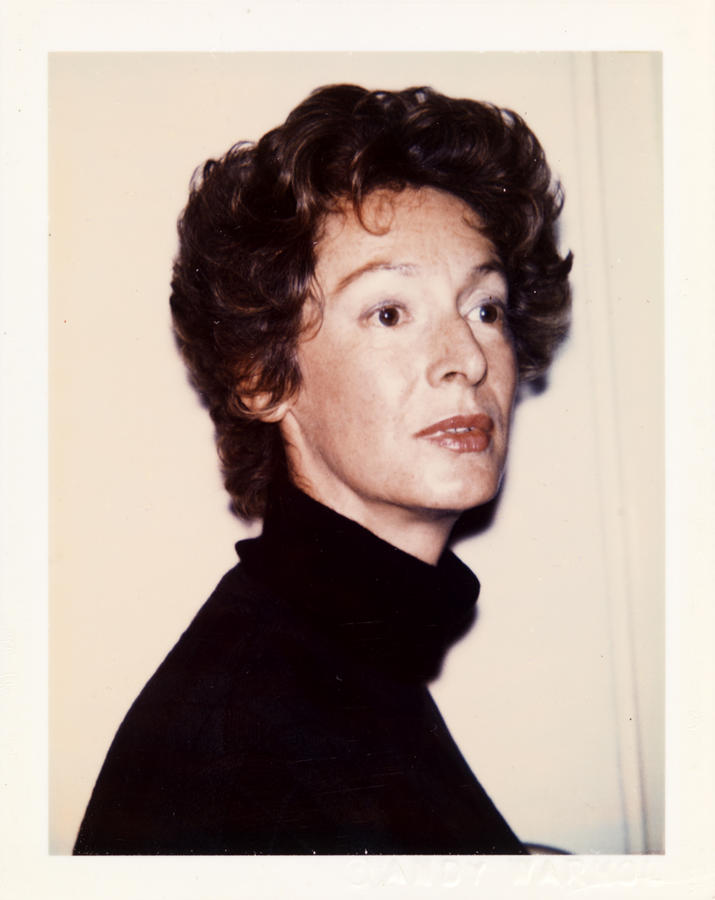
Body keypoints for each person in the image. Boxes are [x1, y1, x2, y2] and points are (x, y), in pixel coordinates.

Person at [74, 83, 572, 855]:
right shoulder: (250, 736)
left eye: (485, 308)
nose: (467, 361)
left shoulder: (340, 655)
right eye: (389, 313)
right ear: (263, 376)